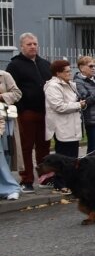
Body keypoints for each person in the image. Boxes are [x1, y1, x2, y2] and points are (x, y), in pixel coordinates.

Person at [6, 33, 51, 193]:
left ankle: (45, 177)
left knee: (44, 146)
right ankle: (26, 180)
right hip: (27, 113)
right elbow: (12, 88)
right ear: (22, 46)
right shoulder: (15, 65)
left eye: (35, 43)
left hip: (45, 112)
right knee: (26, 147)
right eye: (29, 44)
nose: (33, 46)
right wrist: (21, 108)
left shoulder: (45, 64)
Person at [43, 60, 86, 195]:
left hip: (73, 123)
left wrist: (81, 104)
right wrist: (78, 105)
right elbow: (59, 106)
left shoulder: (70, 84)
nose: (69, 73)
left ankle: (71, 182)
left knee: (72, 157)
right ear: (58, 73)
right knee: (62, 157)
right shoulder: (52, 86)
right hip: (61, 125)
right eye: (66, 71)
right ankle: (59, 184)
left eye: (69, 70)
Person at [0, 70, 22, 200]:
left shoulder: (4, 75)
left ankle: (9, 187)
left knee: (5, 154)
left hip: (4, 120)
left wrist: (2, 96)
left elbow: (17, 94)